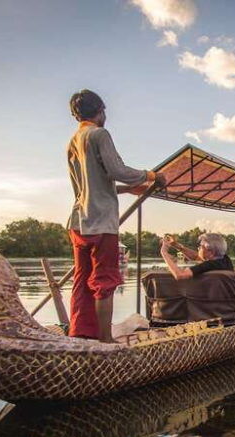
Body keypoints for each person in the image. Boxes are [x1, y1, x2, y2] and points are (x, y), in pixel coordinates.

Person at [66, 89, 161, 343]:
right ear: (100, 110)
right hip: (101, 222)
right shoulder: (99, 134)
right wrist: (151, 176)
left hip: (78, 222)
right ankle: (106, 341)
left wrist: (129, 189)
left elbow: (93, 185)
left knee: (82, 279)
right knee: (104, 281)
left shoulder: (73, 141)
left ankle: (81, 333)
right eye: (104, 111)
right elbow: (118, 170)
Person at [160, 232, 233, 279]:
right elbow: (196, 257)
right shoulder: (225, 260)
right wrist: (177, 246)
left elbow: (180, 275)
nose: (198, 248)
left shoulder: (207, 265)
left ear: (211, 252)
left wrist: (164, 252)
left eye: (201, 246)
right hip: (224, 301)